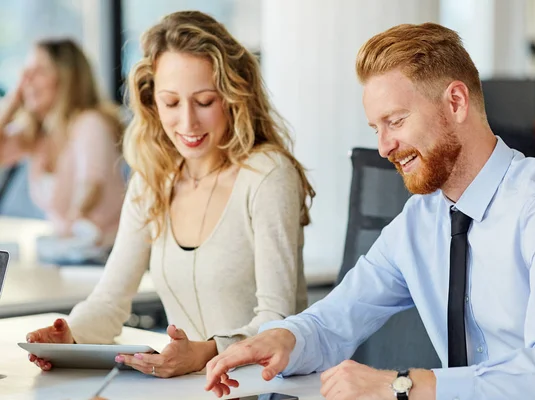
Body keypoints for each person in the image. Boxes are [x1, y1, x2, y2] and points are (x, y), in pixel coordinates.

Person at [204, 22, 535, 400]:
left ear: (456, 102)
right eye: (376, 127)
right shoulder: (418, 221)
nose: (383, 147)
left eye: (395, 121)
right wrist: (283, 339)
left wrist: (403, 386)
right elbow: (333, 321)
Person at [25, 11, 315, 378]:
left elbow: (277, 322)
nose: (188, 123)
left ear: (232, 96)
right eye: (171, 103)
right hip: (189, 385)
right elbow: (110, 301)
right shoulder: (153, 180)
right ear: (151, 101)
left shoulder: (268, 175)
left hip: (268, 386)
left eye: (205, 101)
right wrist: (69, 336)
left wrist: (206, 353)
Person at [0, 39, 125, 259]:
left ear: (67, 79)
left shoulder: (89, 122)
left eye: (38, 71)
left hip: (104, 255)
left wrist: (73, 223)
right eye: (25, 72)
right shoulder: (38, 134)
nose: (26, 79)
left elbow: (91, 186)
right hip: (67, 253)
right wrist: (12, 100)